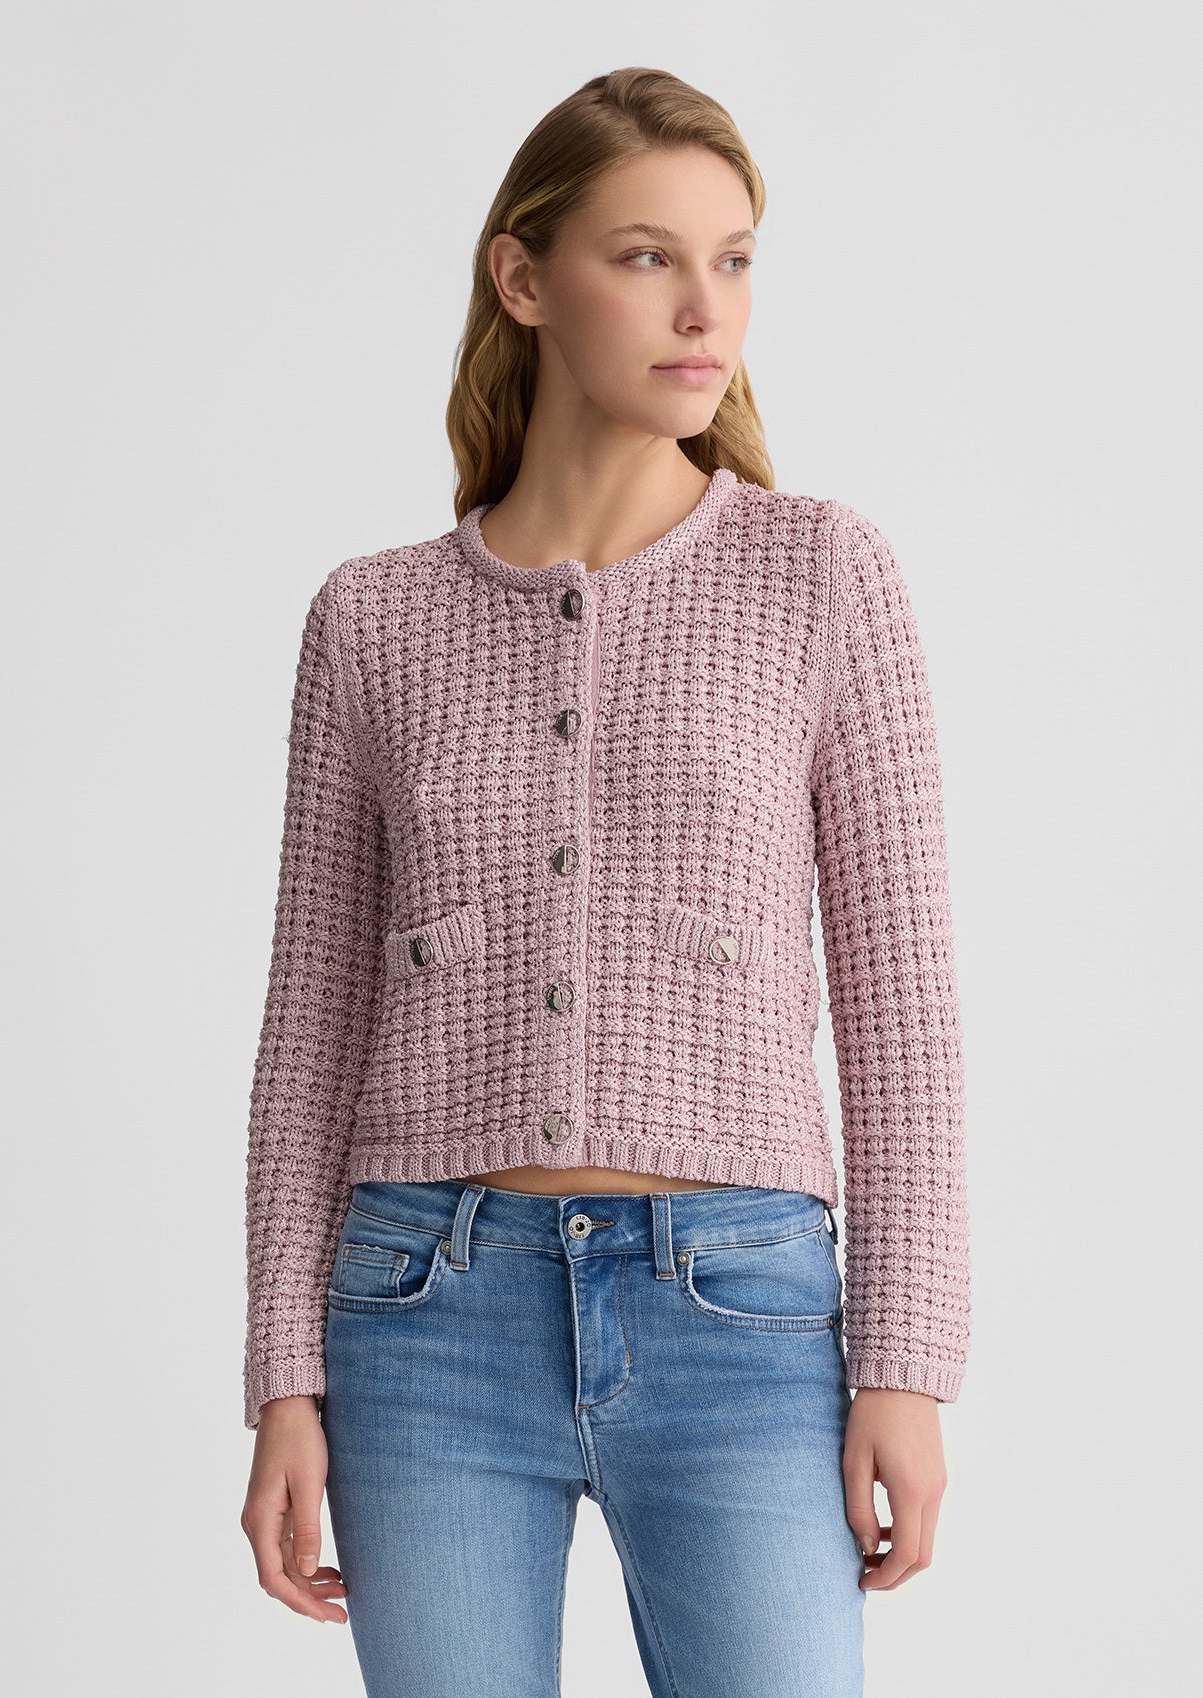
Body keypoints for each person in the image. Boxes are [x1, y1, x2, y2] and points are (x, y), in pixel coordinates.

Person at [239, 66, 970, 1698]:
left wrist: (906, 1362)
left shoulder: (820, 572)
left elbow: (902, 1004)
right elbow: (311, 1030)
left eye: (734, 258)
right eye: (647, 257)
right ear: (523, 277)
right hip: (422, 1307)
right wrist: (283, 1376)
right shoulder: (370, 617)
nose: (705, 309)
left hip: (745, 1309)